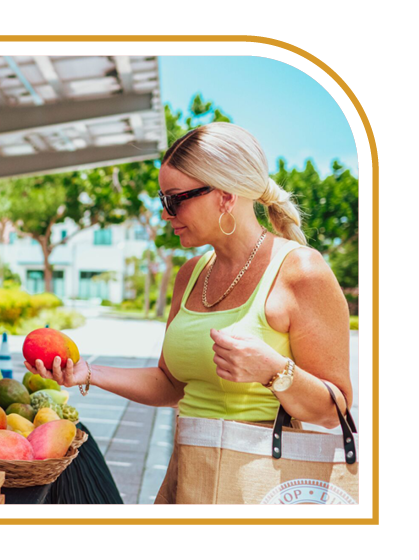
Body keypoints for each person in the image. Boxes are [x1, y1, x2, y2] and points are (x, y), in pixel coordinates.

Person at [25, 122, 352, 504]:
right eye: (163, 200)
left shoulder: (301, 272)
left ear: (226, 195)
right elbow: (171, 383)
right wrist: (89, 374)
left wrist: (273, 370)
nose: (166, 214)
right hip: (187, 475)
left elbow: (334, 410)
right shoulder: (192, 272)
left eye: (174, 199)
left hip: (259, 486)